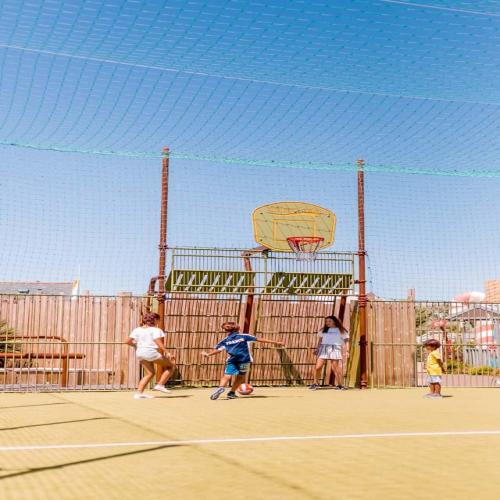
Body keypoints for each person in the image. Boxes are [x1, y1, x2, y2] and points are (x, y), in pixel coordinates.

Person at [202, 321, 285, 400]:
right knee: (241, 376)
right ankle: (231, 392)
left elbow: (218, 350)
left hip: (232, 360)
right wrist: (276, 342)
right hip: (244, 360)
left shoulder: (225, 340)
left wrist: (208, 354)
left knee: (227, 375)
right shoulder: (244, 336)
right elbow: (259, 339)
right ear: (238, 328)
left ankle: (221, 387)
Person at [127, 311, 176, 399]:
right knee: (171, 366)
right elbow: (158, 342)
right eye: (158, 320)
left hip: (140, 353)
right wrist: (168, 352)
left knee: (150, 373)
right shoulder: (156, 330)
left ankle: (139, 394)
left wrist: (136, 345)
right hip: (150, 352)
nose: (159, 322)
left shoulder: (137, 329)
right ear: (155, 320)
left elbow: (128, 341)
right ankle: (160, 385)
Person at [309, 315, 349, 390]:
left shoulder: (341, 330)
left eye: (329, 321)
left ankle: (340, 385)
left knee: (335, 368)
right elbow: (320, 340)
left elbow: (346, 341)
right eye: (326, 321)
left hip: (335, 348)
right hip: (324, 348)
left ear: (334, 321)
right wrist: (317, 349)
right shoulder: (323, 330)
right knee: (318, 367)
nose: (327, 323)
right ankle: (315, 383)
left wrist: (347, 351)